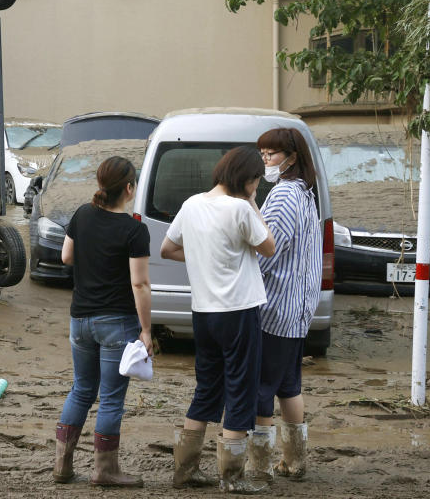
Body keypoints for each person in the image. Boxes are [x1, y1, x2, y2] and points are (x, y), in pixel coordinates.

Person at [161, 146, 275, 494]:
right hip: (239, 311)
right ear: (249, 179)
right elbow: (269, 246)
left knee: (207, 386)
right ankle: (232, 478)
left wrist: (200, 259)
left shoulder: (191, 204)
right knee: (240, 388)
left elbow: (167, 248)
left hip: (203, 312)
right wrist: (254, 201)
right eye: (256, 180)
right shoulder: (240, 208)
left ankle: (185, 470)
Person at [53, 156, 153, 487]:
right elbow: (139, 284)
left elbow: (66, 256)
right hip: (116, 323)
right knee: (110, 397)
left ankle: (62, 466)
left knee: (81, 388)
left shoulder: (82, 214)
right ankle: (105, 470)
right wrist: (147, 330)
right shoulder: (134, 230)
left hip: (80, 320)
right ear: (128, 188)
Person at [247, 128, 322, 482]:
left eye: (272, 154)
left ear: (292, 157)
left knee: (262, 388)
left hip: (274, 310)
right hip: (298, 309)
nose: (266, 160)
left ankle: (258, 466)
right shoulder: (306, 194)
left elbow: (267, 251)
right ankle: (295, 461)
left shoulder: (283, 196)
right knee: (289, 385)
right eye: (262, 154)